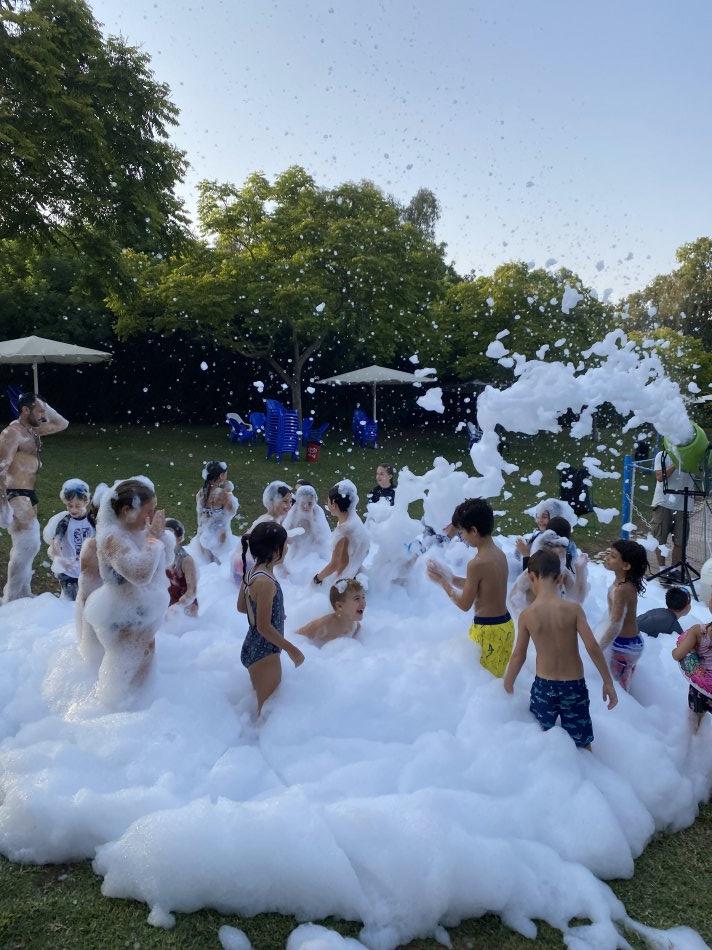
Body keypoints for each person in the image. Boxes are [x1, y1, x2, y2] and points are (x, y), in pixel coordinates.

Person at [503, 549, 618, 749]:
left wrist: (507, 686)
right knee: (582, 742)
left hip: (543, 687)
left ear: (531, 577)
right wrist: (608, 682)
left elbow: (518, 656)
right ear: (560, 578)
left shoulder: (527, 615)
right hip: (573, 686)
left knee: (541, 738)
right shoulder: (573, 610)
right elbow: (592, 646)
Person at [84, 477, 173, 706]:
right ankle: (111, 709)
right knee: (123, 669)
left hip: (140, 613)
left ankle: (143, 706)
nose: (152, 517)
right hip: (120, 618)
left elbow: (165, 562)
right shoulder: (112, 538)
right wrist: (154, 537)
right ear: (127, 510)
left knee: (145, 654)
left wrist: (160, 537)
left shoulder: (138, 532)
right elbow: (139, 573)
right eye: (148, 511)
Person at [427, 498, 514, 678]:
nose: (462, 537)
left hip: (488, 632)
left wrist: (442, 582)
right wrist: (450, 577)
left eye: (462, 531)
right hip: (505, 627)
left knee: (482, 681)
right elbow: (481, 586)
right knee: (495, 680)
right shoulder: (499, 554)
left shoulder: (477, 563)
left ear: (474, 530)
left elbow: (464, 604)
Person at [0, 393, 68, 603]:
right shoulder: (12, 433)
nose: (43, 415)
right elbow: (0, 468)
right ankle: (13, 596)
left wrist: (44, 405)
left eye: (43, 411)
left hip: (28, 493)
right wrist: (3, 504)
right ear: (25, 410)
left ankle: (22, 592)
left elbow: (62, 424)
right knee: (28, 544)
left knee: (27, 546)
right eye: (39, 411)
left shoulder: (33, 430)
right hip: (14, 492)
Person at [237, 521, 305, 714]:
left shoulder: (252, 572)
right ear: (276, 551)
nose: (287, 548)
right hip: (266, 652)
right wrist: (293, 650)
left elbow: (241, 607)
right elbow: (264, 627)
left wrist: (271, 611)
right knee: (267, 713)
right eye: (285, 544)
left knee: (261, 704)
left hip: (252, 646)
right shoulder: (266, 582)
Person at [598, 539, 649, 692]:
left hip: (625, 646)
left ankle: (626, 704)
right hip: (629, 642)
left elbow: (616, 623)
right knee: (622, 680)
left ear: (626, 566)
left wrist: (598, 648)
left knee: (619, 688)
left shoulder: (622, 589)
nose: (607, 558)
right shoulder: (622, 583)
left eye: (613, 556)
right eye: (609, 553)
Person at [43, 479, 96, 601]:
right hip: (68, 573)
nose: (73, 509)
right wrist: (61, 559)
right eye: (69, 505)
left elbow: (99, 539)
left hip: (87, 571)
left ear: (86, 502)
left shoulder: (91, 521)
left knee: (86, 601)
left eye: (77, 506)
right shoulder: (65, 522)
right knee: (69, 603)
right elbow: (56, 541)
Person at [75, 483, 109, 666]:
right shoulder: (94, 548)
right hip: (98, 619)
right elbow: (88, 596)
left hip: (100, 612)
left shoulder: (106, 544)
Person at [314, 480, 370, 585]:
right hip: (358, 572)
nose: (327, 504)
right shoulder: (353, 519)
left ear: (334, 505)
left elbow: (334, 565)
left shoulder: (345, 531)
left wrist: (317, 579)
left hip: (345, 583)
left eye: (328, 501)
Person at [651, 449, 694, 577]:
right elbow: (659, 477)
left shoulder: (694, 455)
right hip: (663, 502)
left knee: (681, 541)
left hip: (683, 504)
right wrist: (677, 462)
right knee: (660, 539)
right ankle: (662, 570)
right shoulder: (662, 455)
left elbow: (701, 474)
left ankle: (674, 569)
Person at [672, 615, 712, 732]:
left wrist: (674, 650)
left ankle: (693, 736)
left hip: (701, 690)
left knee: (695, 716)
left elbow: (678, 655)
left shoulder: (699, 632)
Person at [515, 498, 577, 571]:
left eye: (544, 517)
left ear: (556, 517)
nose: (539, 520)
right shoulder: (539, 536)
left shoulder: (561, 547)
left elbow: (538, 576)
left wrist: (526, 555)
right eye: (538, 516)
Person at [297, 578, 366, 644]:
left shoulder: (355, 627)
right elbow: (297, 637)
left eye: (363, 597)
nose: (363, 603)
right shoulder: (323, 625)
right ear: (339, 606)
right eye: (357, 599)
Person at [195, 461, 238, 564]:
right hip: (220, 537)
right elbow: (231, 511)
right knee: (219, 566)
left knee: (206, 565)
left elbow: (202, 516)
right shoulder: (222, 494)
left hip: (203, 535)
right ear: (221, 475)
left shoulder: (202, 492)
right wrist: (229, 492)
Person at [282, 484, 332, 561]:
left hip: (314, 552)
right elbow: (287, 537)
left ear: (314, 503)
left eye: (310, 503)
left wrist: (311, 521)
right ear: (298, 502)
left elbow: (321, 539)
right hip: (295, 551)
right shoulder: (293, 513)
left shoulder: (317, 513)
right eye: (303, 503)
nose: (306, 506)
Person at [165, 518, 198, 616]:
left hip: (183, 608)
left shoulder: (186, 560)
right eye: (164, 535)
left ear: (179, 539)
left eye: (170, 537)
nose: (166, 539)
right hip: (164, 602)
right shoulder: (161, 553)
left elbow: (192, 591)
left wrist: (175, 609)